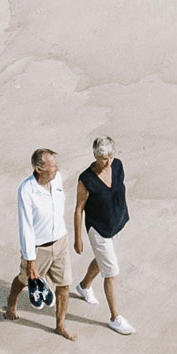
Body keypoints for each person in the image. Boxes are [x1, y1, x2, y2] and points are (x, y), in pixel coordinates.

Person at [5, 148, 76, 340]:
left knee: (64, 284)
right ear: (38, 168)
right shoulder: (26, 191)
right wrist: (30, 261)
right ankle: (12, 301)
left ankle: (60, 325)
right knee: (23, 279)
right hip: (38, 248)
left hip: (60, 242)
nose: (57, 169)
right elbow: (26, 227)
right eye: (52, 166)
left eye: (56, 164)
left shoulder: (57, 179)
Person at [71, 136, 136, 335]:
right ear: (95, 157)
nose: (106, 162)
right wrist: (78, 238)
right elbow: (79, 209)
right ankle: (115, 318)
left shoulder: (118, 167)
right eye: (102, 159)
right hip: (98, 229)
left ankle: (83, 286)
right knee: (112, 272)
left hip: (116, 225)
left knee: (102, 261)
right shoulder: (86, 179)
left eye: (109, 157)